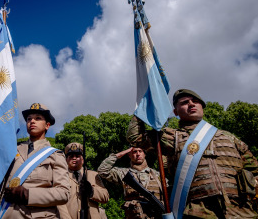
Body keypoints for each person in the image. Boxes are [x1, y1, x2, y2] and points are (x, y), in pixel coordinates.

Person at [126, 88, 258, 218]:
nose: (191, 104)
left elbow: (254, 170)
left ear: (202, 107)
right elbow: (135, 137)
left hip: (241, 211)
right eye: (184, 102)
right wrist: (144, 106)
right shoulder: (171, 137)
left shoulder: (229, 137)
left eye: (195, 101)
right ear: (175, 111)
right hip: (196, 212)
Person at [0, 103, 70, 219]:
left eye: (38, 118)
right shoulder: (12, 150)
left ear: (47, 126)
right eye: (29, 119)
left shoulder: (55, 155)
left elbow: (63, 193)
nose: (32, 121)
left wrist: (28, 194)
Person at [97, 146, 165, 219]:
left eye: (140, 151)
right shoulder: (124, 173)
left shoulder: (158, 175)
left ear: (144, 154)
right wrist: (117, 155)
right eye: (134, 152)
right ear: (129, 155)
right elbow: (102, 170)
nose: (138, 154)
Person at [58, 142, 109, 219]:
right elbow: (58, 202)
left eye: (77, 156)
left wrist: (92, 191)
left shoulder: (93, 175)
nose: (74, 158)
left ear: (82, 160)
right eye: (71, 156)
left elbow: (105, 197)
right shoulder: (60, 176)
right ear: (66, 160)